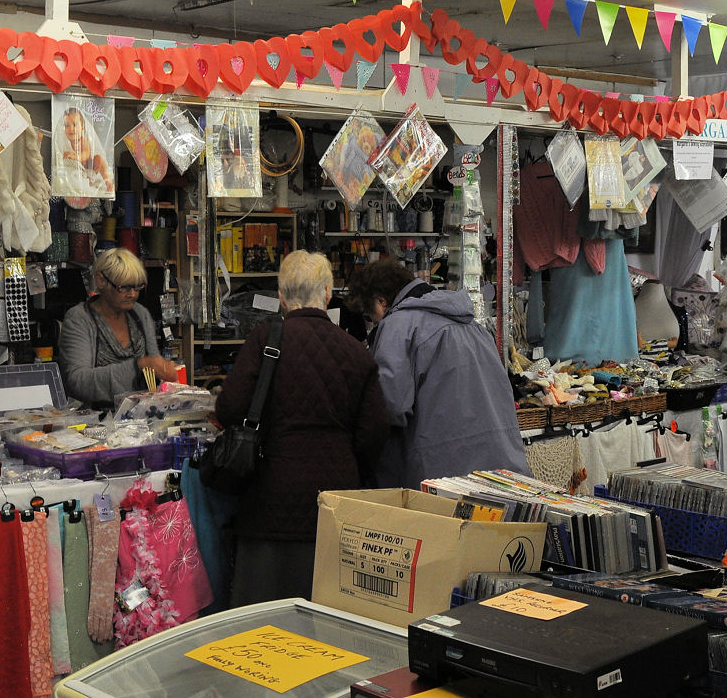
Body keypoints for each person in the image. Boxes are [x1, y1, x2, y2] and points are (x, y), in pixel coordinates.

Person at [215, 250, 387, 606]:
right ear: (327, 293)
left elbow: (230, 408)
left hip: (269, 495)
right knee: (330, 614)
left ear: (280, 296)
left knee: (262, 618)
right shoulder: (357, 352)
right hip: (336, 501)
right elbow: (373, 434)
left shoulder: (263, 342)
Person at [348, 259, 530, 490]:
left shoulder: (398, 326)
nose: (371, 322)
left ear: (381, 301)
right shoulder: (473, 326)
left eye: (369, 315)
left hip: (445, 478)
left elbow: (390, 407)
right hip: (502, 470)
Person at [58, 248, 178, 409]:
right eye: (125, 287)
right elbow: (77, 382)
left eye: (137, 287)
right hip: (95, 422)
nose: (133, 295)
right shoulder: (80, 319)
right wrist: (138, 366)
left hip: (141, 418)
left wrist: (164, 371)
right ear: (101, 280)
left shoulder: (140, 314)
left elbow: (153, 368)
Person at [54, 106, 112, 195]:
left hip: (90, 168)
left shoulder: (82, 140)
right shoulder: (66, 143)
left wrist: (75, 156)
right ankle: (84, 183)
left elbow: (86, 154)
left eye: (75, 125)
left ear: (82, 128)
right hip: (78, 172)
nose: (71, 129)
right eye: (67, 125)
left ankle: (109, 183)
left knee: (99, 159)